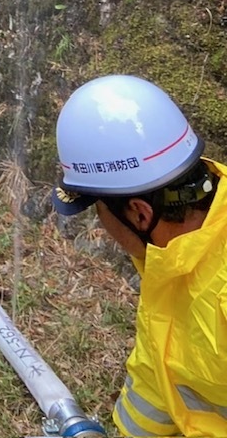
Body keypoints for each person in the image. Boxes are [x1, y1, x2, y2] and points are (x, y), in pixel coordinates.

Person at [52, 74, 227, 437]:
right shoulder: (174, 257)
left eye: (97, 210)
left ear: (139, 214)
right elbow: (159, 369)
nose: (102, 228)